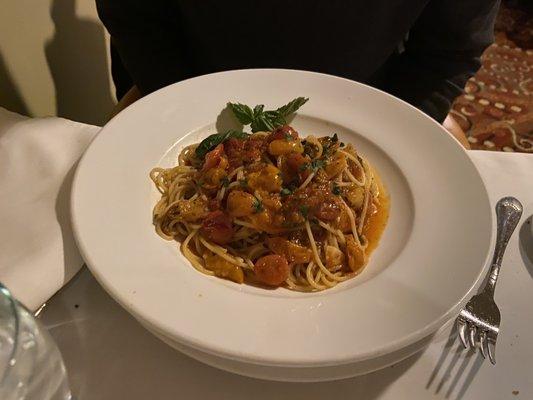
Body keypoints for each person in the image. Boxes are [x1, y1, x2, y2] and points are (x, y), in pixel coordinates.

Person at [96, 0, 500, 147]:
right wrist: (190, 117)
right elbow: (137, 18)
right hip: (187, 87)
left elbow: (450, 49)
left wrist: (378, 142)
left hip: (371, 101)